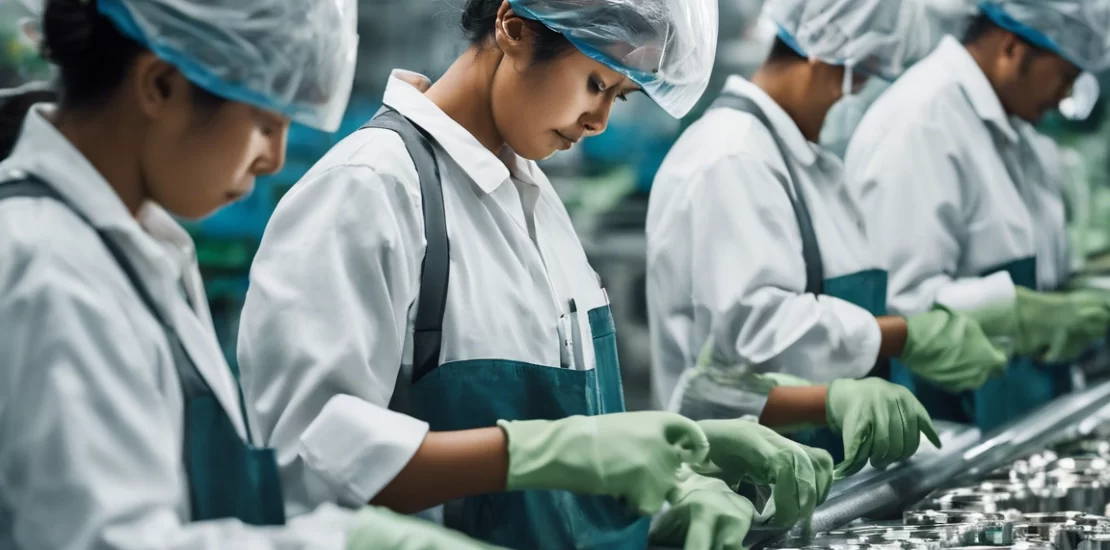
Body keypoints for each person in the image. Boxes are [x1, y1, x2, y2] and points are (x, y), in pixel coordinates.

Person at [237, 0, 817, 548]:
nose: (600, 121)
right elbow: (310, 461)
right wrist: (542, 451)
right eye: (596, 82)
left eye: (621, 96)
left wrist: (670, 485)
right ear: (513, 28)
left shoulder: (539, 204)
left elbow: (573, 446)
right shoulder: (370, 190)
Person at [0, 0, 517, 548]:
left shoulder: (126, 247)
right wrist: (346, 542)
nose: (274, 158)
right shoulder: (53, 272)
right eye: (266, 121)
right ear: (160, 86)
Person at [646, 0, 1010, 475]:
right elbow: (754, 338)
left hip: (815, 473)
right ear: (824, 50)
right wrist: (902, 337)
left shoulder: (812, 168)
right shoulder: (730, 158)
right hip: (737, 489)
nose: (862, 94)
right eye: (862, 76)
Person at [845, 0, 1110, 431]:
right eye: (1065, 77)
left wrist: (1072, 296)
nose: (1064, 96)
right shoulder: (922, 123)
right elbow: (900, 308)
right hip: (947, 426)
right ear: (1013, 48)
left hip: (1018, 418)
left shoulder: (1019, 133)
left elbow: (1040, 266)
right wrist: (1018, 314)